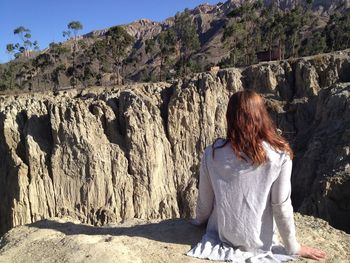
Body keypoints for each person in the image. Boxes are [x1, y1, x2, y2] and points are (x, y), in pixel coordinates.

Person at [187, 90, 326, 262]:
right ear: (261, 115)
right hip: (259, 242)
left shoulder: (212, 153)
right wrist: (294, 248)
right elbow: (281, 206)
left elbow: (205, 201)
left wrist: (199, 221)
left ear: (230, 117)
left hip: (222, 237)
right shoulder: (280, 154)